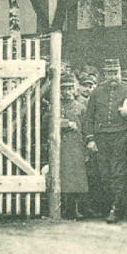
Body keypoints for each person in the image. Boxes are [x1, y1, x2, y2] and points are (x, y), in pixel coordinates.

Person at [84, 59, 127, 223]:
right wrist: (91, 139)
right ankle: (115, 206)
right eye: (110, 73)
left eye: (116, 73)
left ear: (120, 73)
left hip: (120, 137)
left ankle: (116, 209)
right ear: (104, 74)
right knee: (104, 175)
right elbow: (89, 118)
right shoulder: (96, 92)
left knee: (118, 174)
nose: (113, 77)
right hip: (101, 138)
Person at [43, 74, 88, 220]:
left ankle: (74, 210)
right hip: (60, 145)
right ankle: (61, 209)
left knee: (77, 179)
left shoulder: (81, 107)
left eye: (70, 88)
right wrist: (65, 123)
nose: (67, 92)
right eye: (64, 89)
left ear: (75, 89)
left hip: (76, 146)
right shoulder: (55, 106)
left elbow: (87, 128)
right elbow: (46, 122)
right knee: (61, 176)